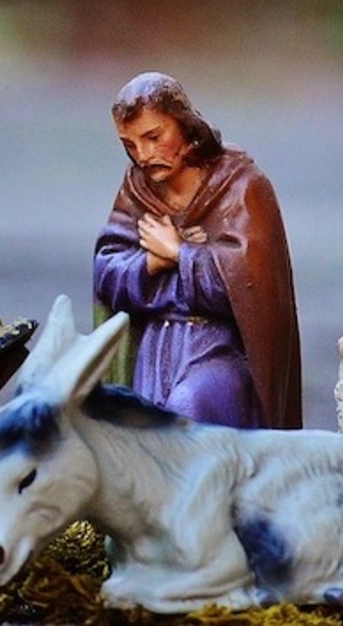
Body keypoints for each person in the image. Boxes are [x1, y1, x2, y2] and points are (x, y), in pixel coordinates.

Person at [93, 72, 301, 429]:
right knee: (136, 427)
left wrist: (179, 253)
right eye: (130, 144)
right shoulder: (137, 191)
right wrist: (151, 262)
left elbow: (254, 289)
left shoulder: (241, 187)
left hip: (217, 352)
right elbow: (106, 271)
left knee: (185, 412)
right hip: (154, 354)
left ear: (186, 125)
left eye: (154, 137)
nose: (143, 155)